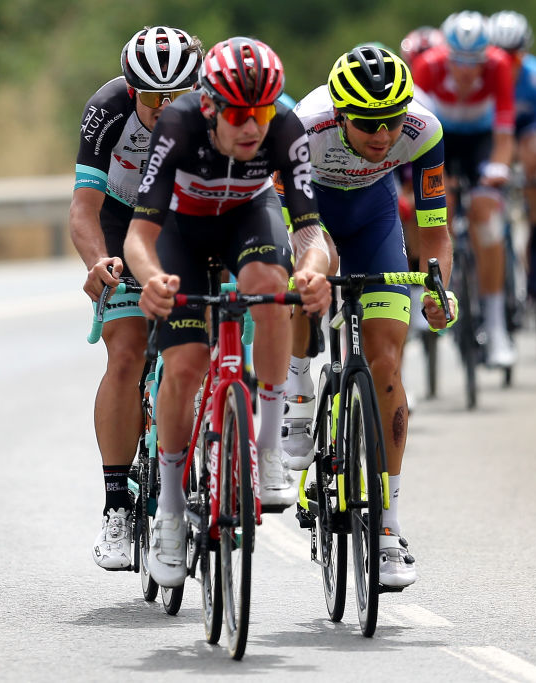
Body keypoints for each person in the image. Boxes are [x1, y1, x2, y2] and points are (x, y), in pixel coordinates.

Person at [123, 36, 332, 587]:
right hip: (182, 233)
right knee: (187, 366)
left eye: (262, 111)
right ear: (212, 106)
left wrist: (312, 270)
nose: (253, 127)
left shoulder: (286, 129)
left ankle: (266, 448)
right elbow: (139, 235)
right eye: (239, 113)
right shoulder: (180, 126)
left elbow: (310, 229)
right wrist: (151, 280)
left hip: (248, 219)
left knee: (271, 286)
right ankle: (169, 508)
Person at [278, 46, 454, 588]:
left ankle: (387, 527)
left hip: (374, 216)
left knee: (385, 364)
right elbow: (294, 224)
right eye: (368, 123)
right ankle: (300, 384)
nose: (382, 135)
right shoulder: (303, 128)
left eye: (391, 121)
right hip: (313, 213)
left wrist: (439, 289)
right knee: (317, 269)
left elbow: (434, 231)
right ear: (340, 113)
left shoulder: (423, 131)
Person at [70, 26, 203, 571]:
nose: (163, 107)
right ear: (131, 90)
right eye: (151, 97)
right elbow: (83, 208)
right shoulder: (107, 110)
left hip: (189, 221)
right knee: (125, 351)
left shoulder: (216, 111)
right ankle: (117, 505)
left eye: (176, 96)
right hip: (123, 220)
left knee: (199, 346)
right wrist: (97, 263)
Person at [412, 11, 517, 368]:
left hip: (481, 143)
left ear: (486, 57)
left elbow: (504, 135)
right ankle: (429, 294)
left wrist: (497, 171)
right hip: (441, 139)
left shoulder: (499, 66)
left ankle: (496, 323)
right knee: (431, 211)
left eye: (475, 62)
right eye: (459, 60)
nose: (467, 70)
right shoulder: (427, 66)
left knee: (487, 218)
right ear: (446, 54)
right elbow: (415, 132)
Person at [486, 11, 536, 306]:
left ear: (525, 55)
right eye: (499, 57)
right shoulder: (483, 76)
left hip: (527, 135)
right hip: (496, 136)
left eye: (515, 59)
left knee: (535, 150)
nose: (507, 66)